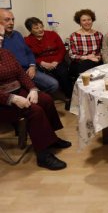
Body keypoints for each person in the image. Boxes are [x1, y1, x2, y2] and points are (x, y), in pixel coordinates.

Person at [0, 24, 71, 170]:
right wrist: (11, 99)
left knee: (46, 99)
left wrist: (32, 88)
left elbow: (20, 73)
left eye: (1, 37)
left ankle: (51, 139)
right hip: (3, 102)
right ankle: (43, 155)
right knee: (34, 110)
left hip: (18, 90)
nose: (0, 39)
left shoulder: (6, 53)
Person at [0, 9, 58, 94]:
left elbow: (29, 52)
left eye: (13, 19)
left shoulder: (17, 34)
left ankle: (38, 98)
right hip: (16, 75)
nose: (11, 23)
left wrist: (32, 66)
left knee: (54, 84)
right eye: (7, 20)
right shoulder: (0, 40)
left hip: (30, 69)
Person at [24, 17, 72, 110]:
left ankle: (68, 98)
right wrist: (41, 62)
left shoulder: (52, 34)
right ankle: (43, 98)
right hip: (41, 64)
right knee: (41, 78)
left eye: (41, 27)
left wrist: (56, 61)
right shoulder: (27, 40)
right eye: (36, 28)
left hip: (57, 62)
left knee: (64, 73)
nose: (40, 29)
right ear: (30, 30)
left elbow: (62, 49)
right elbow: (29, 55)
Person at [68, 9, 103, 80]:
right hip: (80, 63)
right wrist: (87, 57)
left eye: (89, 19)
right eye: (84, 20)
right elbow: (72, 55)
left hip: (96, 61)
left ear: (92, 20)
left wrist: (98, 57)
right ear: (79, 22)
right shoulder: (74, 36)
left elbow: (102, 51)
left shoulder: (99, 35)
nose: (87, 22)